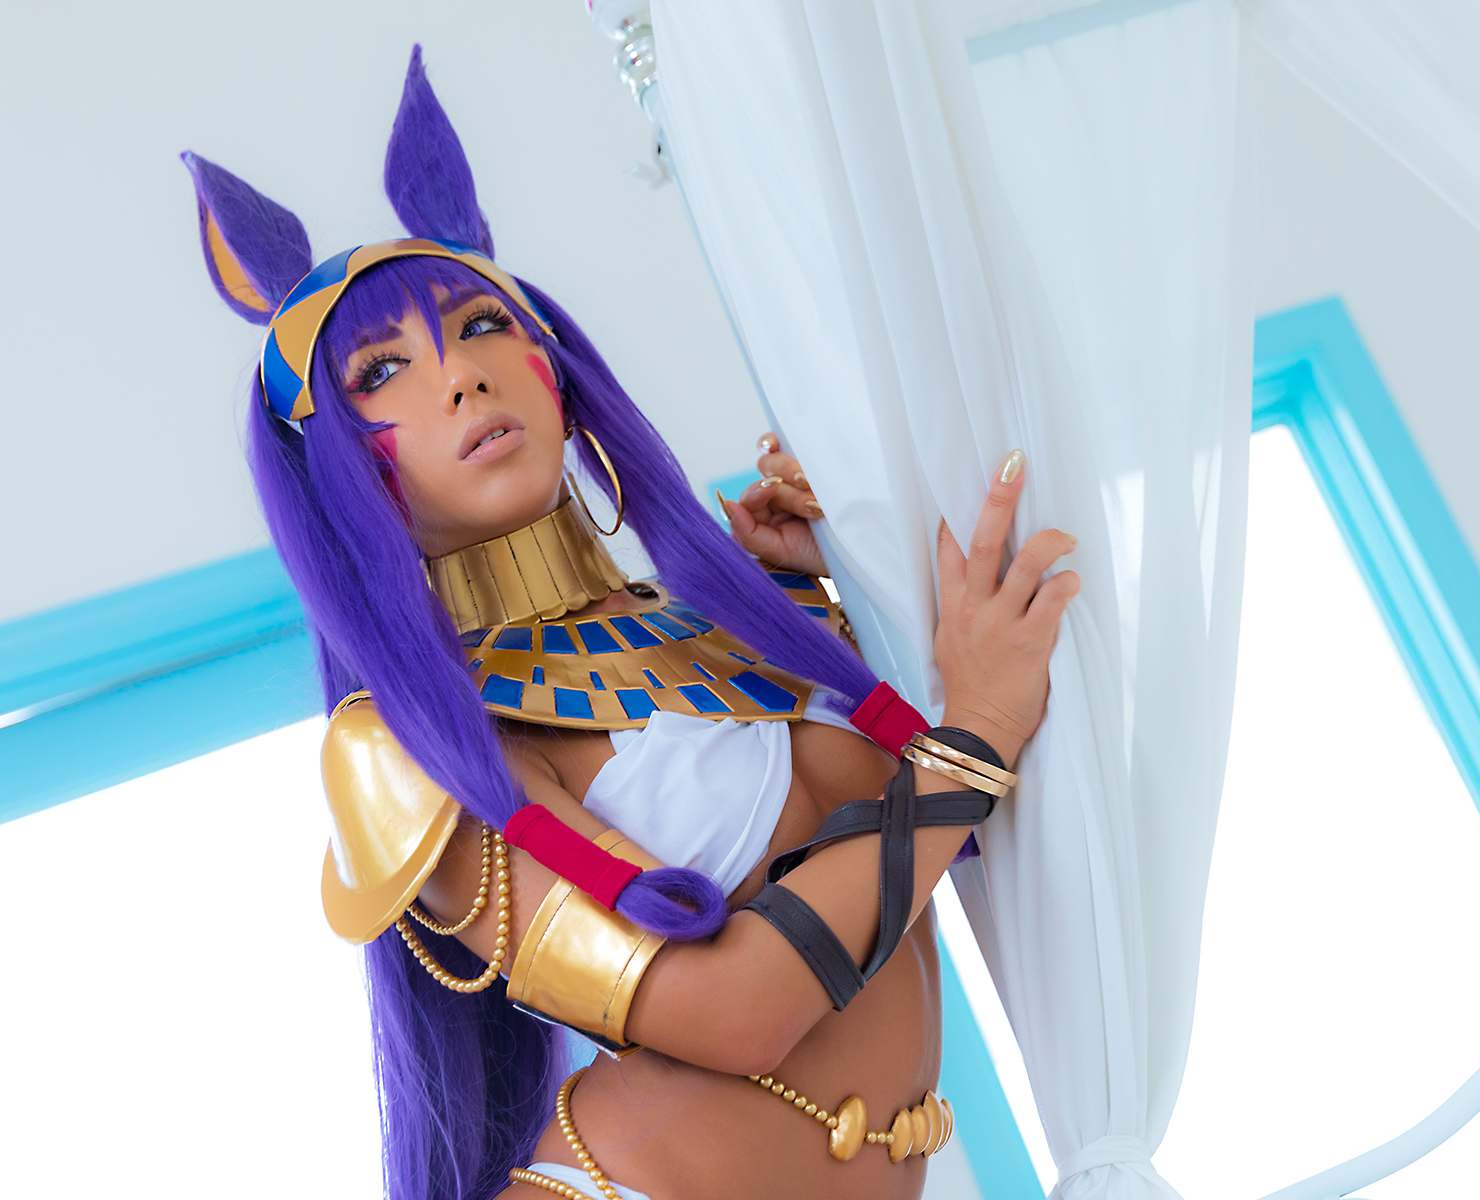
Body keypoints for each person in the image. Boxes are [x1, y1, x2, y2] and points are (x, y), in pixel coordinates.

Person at [185, 48, 1077, 1200]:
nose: (460, 379)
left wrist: (823, 601)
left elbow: (944, 845)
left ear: (552, 366)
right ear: (332, 470)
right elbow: (736, 1009)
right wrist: (978, 731)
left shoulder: (721, 623)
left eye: (480, 325)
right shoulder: (409, 748)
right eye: (382, 370)